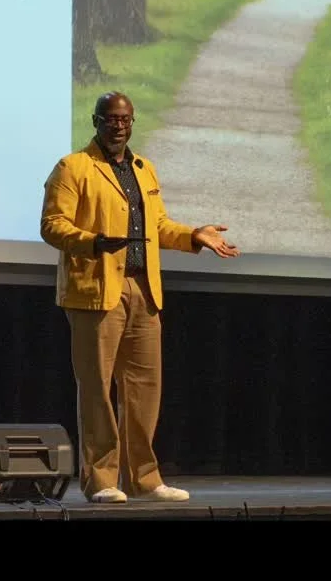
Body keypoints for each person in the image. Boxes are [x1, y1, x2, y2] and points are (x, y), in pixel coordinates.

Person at [40, 90, 240, 505]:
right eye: (111, 119)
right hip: (96, 289)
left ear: (132, 123)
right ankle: (101, 480)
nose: (118, 126)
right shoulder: (73, 167)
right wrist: (93, 242)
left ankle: (144, 479)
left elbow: (159, 225)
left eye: (125, 119)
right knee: (97, 390)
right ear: (96, 122)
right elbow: (52, 224)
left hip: (142, 289)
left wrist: (193, 235)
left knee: (144, 389)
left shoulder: (143, 168)